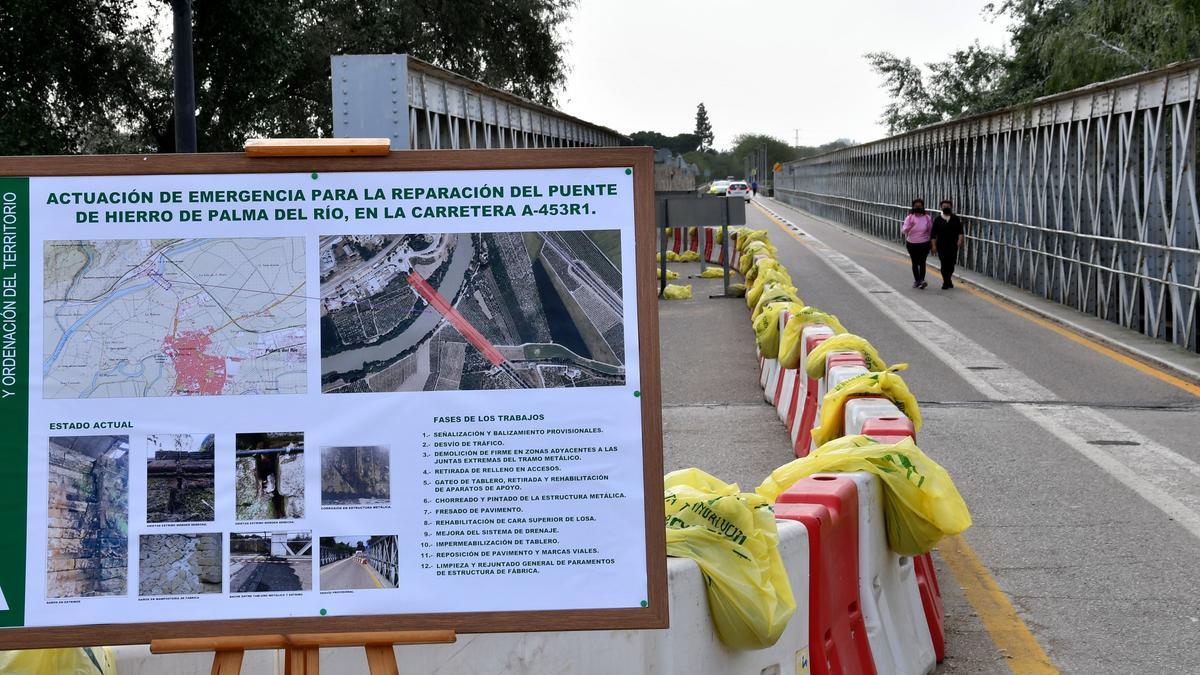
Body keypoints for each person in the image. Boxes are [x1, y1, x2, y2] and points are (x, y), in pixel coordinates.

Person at [931, 199, 965, 289]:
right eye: (944, 206)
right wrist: (933, 246)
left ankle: (948, 280)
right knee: (944, 263)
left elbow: (960, 232)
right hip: (941, 245)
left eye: (948, 206)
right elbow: (933, 234)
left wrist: (959, 241)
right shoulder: (938, 220)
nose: (946, 208)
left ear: (951, 207)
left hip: (953, 245)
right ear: (941, 208)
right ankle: (946, 282)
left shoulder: (955, 218)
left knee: (951, 264)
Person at [901, 198, 933, 289]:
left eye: (920, 206)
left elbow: (930, 231)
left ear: (923, 207)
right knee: (915, 262)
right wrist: (910, 226)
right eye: (916, 206)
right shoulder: (910, 217)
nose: (918, 208)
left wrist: (932, 243)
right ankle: (917, 280)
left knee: (922, 261)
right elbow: (903, 230)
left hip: (924, 243)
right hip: (912, 243)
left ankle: (922, 280)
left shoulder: (927, 217)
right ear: (913, 207)